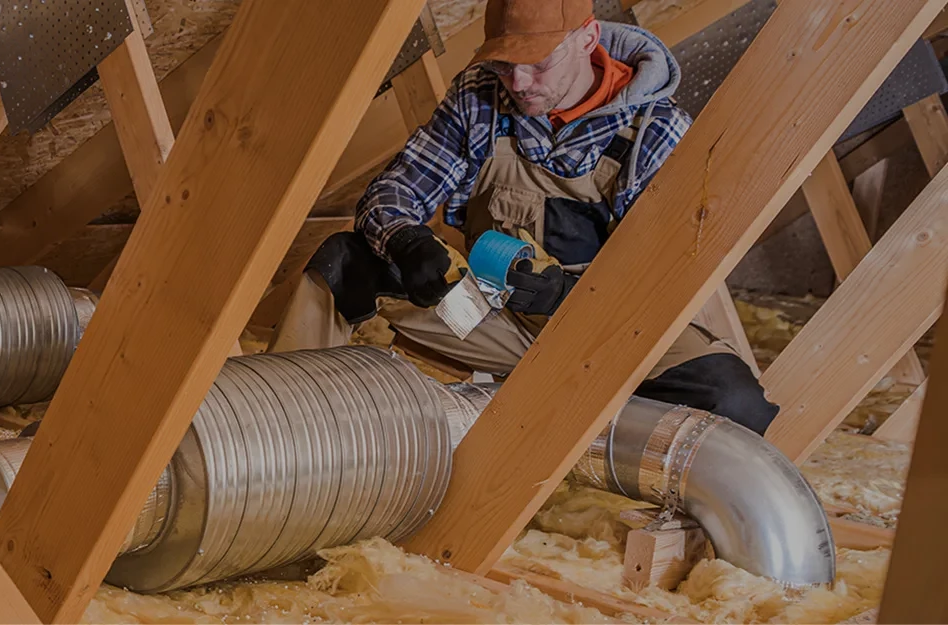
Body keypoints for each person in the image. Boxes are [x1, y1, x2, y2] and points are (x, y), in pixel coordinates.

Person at [289, 0, 778, 434]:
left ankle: (590, 436)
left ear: (588, 38)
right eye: (504, 65)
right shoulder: (479, 96)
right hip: (484, 316)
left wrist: (567, 296)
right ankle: (284, 427)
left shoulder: (655, 129)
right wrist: (407, 241)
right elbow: (393, 193)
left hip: (606, 336)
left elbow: (664, 275)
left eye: (537, 65)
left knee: (732, 404)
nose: (519, 84)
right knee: (342, 262)